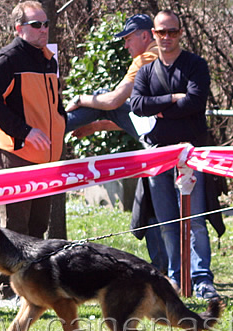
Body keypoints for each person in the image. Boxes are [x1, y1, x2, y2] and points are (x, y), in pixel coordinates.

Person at [129, 10, 225, 300]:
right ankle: (175, 278)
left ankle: (202, 279)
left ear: (180, 33)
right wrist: (172, 99)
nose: (167, 37)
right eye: (161, 32)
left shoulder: (196, 65)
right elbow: (136, 105)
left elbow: (196, 102)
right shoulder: (146, 70)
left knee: (195, 219)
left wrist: (158, 108)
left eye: (172, 32)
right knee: (167, 221)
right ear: (153, 35)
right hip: (159, 157)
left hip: (191, 156)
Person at [0, 1, 66, 309]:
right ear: (19, 28)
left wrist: (62, 127)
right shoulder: (7, 59)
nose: (44, 30)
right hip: (15, 152)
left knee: (38, 226)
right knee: (13, 227)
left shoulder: (48, 59)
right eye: (36, 25)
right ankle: (7, 292)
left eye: (45, 24)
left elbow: (55, 104)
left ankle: (31, 289)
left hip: (47, 157)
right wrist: (25, 132)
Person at [64, 14, 168, 273]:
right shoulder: (165, 56)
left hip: (161, 145)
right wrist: (98, 125)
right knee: (151, 205)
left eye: (128, 39)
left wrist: (81, 98)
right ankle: (164, 268)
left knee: (101, 101)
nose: (125, 45)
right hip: (165, 141)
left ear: (145, 36)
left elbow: (114, 103)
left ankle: (53, 126)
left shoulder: (146, 58)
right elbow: (141, 115)